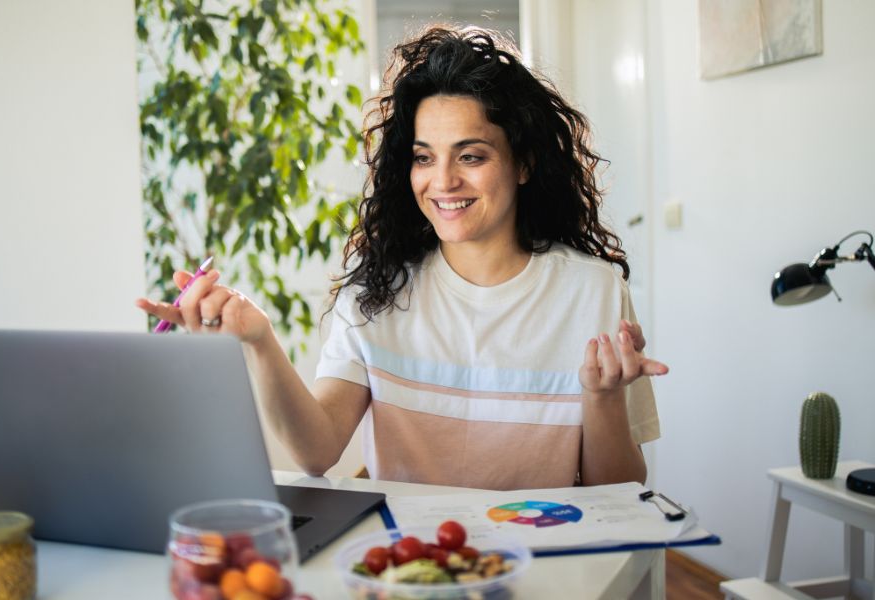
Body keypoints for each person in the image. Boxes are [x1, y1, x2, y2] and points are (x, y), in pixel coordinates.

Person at [137, 25, 667, 491]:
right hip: (407, 565)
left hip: (541, 558)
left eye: (471, 155)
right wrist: (258, 340)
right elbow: (319, 452)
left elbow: (617, 491)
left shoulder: (592, 291)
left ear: (523, 163)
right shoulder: (376, 291)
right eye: (423, 157)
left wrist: (600, 398)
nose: (443, 182)